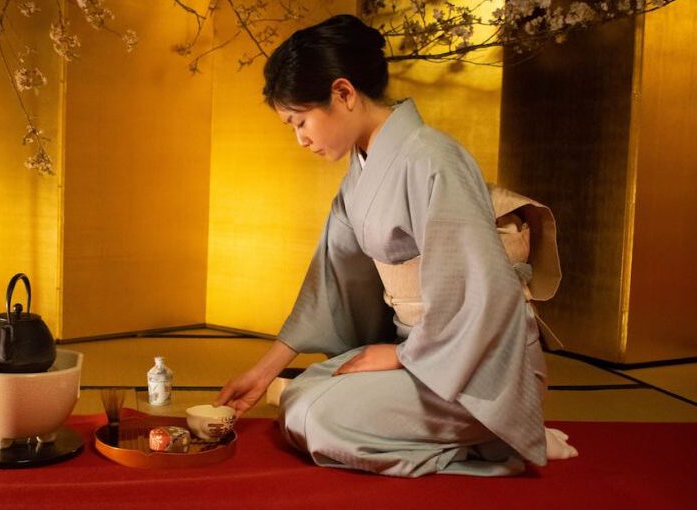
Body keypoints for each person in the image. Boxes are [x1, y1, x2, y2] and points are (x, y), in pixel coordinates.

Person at [215, 14, 578, 477]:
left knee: (314, 415)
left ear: (343, 94)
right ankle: (477, 433)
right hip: (421, 353)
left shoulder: (433, 160)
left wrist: (401, 356)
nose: (300, 138)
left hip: (476, 365)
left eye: (300, 120)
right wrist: (263, 370)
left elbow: (481, 291)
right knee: (302, 392)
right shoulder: (358, 176)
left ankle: (496, 431)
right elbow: (331, 285)